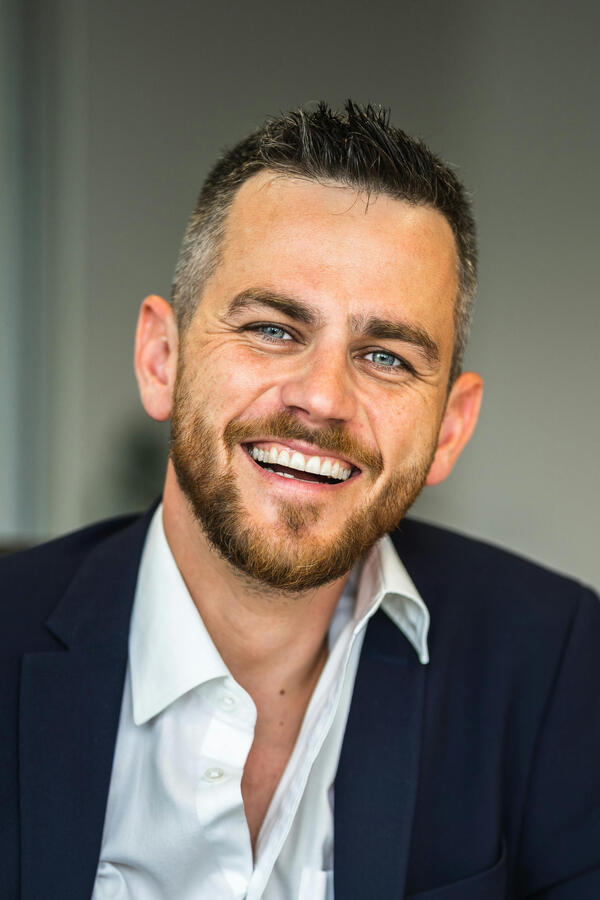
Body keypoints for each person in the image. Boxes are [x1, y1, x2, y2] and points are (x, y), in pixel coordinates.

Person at [2, 102, 599, 900]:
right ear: (160, 359)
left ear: (450, 428)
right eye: (274, 329)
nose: (322, 398)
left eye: (385, 357)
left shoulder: (554, 662)